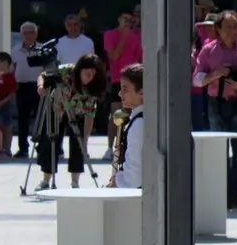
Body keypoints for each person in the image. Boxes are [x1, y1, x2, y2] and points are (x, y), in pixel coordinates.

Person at [192, 10, 237, 210]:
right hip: (215, 105)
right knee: (220, 153)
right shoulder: (208, 51)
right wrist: (214, 75)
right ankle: (223, 195)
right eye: (228, 27)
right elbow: (196, 79)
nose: (232, 31)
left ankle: (235, 194)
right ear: (218, 29)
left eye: (235, 27)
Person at [33, 53, 108, 190]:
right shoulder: (67, 70)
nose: (90, 77)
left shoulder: (94, 86)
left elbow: (90, 114)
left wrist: (85, 137)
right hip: (57, 108)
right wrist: (41, 86)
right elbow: (43, 75)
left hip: (78, 114)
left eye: (93, 74)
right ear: (79, 71)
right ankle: (46, 180)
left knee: (78, 145)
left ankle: (75, 182)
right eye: (87, 74)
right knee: (50, 143)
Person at [103, 11, 144, 161]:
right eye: (125, 19)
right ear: (119, 19)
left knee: (130, 113)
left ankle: (124, 147)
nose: (127, 23)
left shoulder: (136, 37)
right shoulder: (110, 35)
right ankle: (109, 147)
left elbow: (139, 58)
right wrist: (124, 37)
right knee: (116, 113)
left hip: (133, 79)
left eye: (130, 20)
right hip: (117, 79)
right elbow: (113, 55)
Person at [10, 21, 43, 158]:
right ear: (21, 34)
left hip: (38, 87)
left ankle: (41, 148)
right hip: (21, 87)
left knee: (40, 119)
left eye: (31, 32)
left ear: (36, 34)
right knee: (22, 119)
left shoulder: (42, 49)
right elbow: (11, 69)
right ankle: (23, 148)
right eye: (25, 33)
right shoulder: (15, 50)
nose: (28, 35)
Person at [110, 63, 144, 189]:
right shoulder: (142, 118)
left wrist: (117, 181)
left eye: (125, 89)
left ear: (142, 93)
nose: (119, 94)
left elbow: (134, 176)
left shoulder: (139, 124)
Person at [0, 52, 17, 157]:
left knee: (7, 127)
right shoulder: (0, 76)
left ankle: (7, 149)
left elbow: (12, 93)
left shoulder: (10, 77)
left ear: (5, 63)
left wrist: (2, 102)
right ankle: (2, 148)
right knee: (1, 127)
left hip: (6, 105)